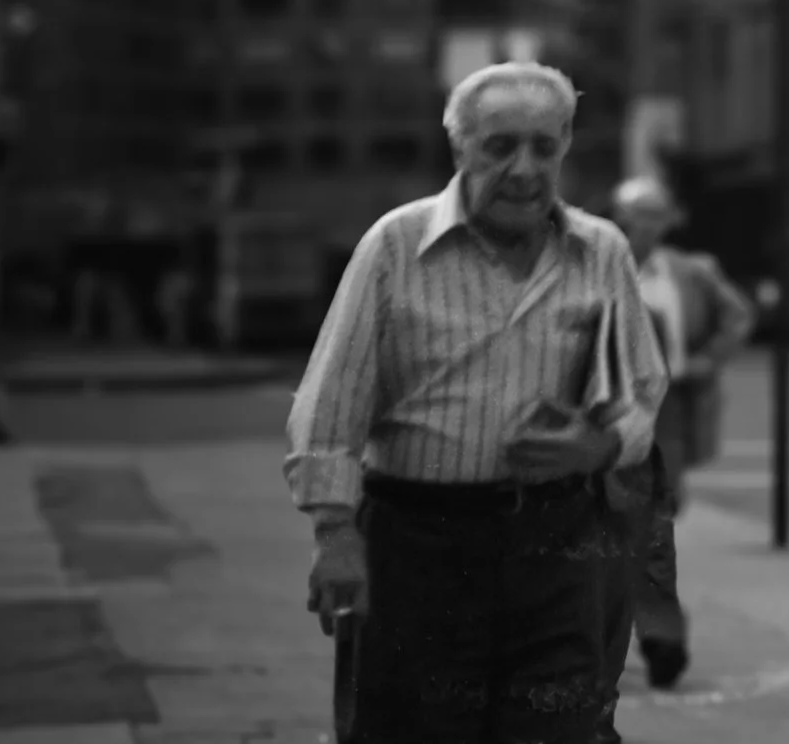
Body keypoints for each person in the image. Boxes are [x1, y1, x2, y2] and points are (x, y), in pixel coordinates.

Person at [285, 61, 666, 744]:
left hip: (557, 543)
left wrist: (603, 444)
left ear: (565, 147)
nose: (524, 169)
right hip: (417, 543)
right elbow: (333, 399)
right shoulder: (395, 245)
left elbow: (639, 391)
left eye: (543, 147)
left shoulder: (602, 251)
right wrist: (334, 534)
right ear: (460, 149)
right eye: (500, 147)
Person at [607, 175, 756, 692]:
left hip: (667, 410)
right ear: (621, 217)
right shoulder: (596, 264)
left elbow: (736, 316)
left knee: (651, 522)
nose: (648, 225)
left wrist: (706, 360)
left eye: (657, 214)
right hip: (604, 410)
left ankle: (657, 634)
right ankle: (637, 631)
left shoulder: (691, 271)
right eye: (639, 214)